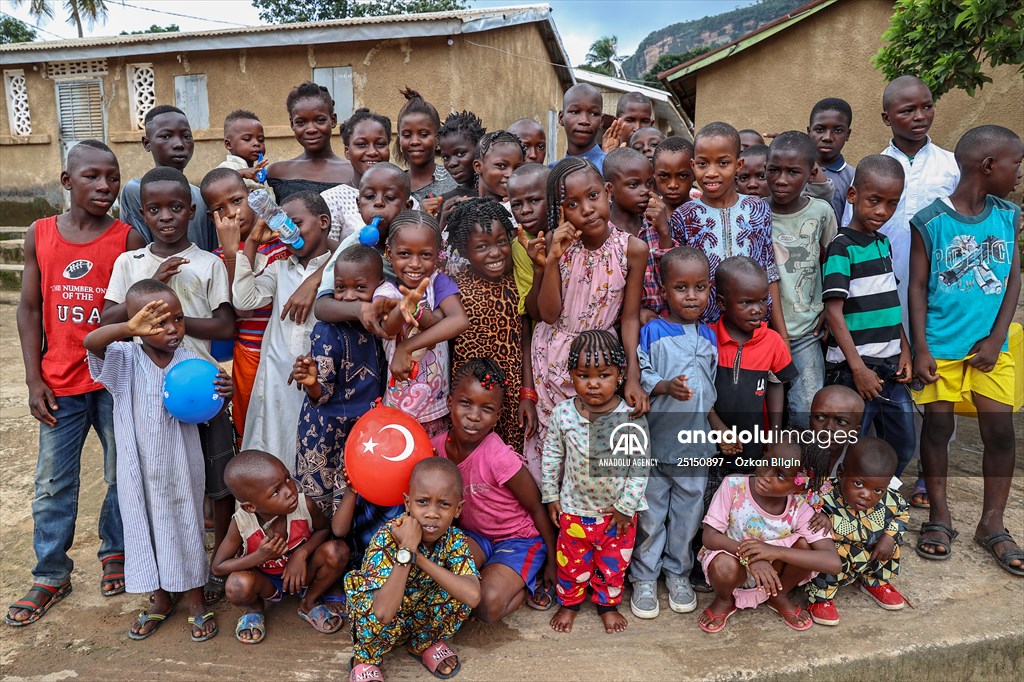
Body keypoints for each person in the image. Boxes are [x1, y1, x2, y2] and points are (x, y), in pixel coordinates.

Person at [6, 141, 142, 628]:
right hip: (58, 382)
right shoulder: (40, 233)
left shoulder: (126, 238)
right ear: (67, 182)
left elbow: (135, 311)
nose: (104, 186)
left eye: (112, 177)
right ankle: (50, 574)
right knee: (52, 483)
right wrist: (32, 376)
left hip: (111, 380)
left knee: (119, 473)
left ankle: (116, 549)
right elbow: (28, 308)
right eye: (91, 176)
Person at [103, 167, 237, 586]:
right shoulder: (131, 262)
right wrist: (151, 289)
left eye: (176, 207)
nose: (166, 216)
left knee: (216, 483)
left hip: (203, 388)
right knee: (162, 483)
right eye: (155, 209)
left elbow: (225, 326)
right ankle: (167, 570)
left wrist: (173, 321)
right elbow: (108, 319)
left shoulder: (208, 263)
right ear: (141, 213)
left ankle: (212, 567)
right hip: (147, 388)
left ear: (191, 211)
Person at [85, 280, 233, 642]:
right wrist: (126, 329)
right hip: (139, 468)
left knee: (187, 525)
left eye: (178, 320)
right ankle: (161, 598)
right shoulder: (125, 358)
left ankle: (196, 598)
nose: (172, 329)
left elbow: (207, 411)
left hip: (184, 465)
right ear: (136, 324)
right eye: (159, 323)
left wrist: (223, 396)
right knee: (146, 527)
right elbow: (91, 343)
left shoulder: (192, 362)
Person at [909, 125, 1023, 575]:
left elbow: (1013, 278)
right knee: (937, 429)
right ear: (989, 166)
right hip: (939, 346)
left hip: (991, 348)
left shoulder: (1009, 214)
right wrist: (920, 346)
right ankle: (939, 516)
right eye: (1016, 163)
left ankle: (992, 523)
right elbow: (917, 288)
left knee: (1000, 433)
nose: (1019, 172)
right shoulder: (931, 221)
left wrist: (998, 338)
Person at [523, 157, 649, 483]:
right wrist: (551, 260)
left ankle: (591, 528)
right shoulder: (558, 244)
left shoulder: (632, 249)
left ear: (608, 192)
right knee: (552, 457)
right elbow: (548, 314)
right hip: (551, 359)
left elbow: (630, 318)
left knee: (593, 458)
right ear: (561, 210)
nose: (587, 209)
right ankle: (560, 525)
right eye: (572, 203)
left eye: (593, 196)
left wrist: (632, 375)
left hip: (598, 361)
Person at [630, 247, 729, 620]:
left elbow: (708, 395)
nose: (691, 296)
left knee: (688, 514)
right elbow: (641, 374)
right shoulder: (653, 330)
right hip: (657, 444)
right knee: (652, 515)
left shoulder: (709, 336)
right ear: (665, 291)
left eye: (700, 287)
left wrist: (719, 431)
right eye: (681, 288)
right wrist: (665, 387)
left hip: (696, 447)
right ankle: (643, 577)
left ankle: (677, 573)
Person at [542, 330, 650, 634]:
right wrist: (551, 495)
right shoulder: (563, 414)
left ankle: (607, 604)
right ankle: (570, 603)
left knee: (613, 564)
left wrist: (627, 506)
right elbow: (551, 455)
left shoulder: (630, 416)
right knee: (571, 563)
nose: (593, 383)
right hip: (575, 509)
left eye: (603, 375)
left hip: (618, 514)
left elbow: (640, 465)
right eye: (583, 375)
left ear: (619, 375)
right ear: (571, 375)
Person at [434, 359, 558, 620]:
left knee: (486, 606)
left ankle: (524, 583)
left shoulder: (497, 456)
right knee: (447, 584)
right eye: (465, 403)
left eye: (486, 408)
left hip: (519, 539)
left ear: (498, 415)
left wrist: (553, 561)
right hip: (476, 536)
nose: (474, 416)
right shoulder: (435, 450)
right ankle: (498, 572)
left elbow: (536, 506)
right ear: (449, 403)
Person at [345, 458, 480, 682]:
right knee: (371, 605)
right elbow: (383, 613)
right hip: (387, 611)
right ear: (407, 503)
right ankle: (365, 659)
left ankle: (422, 643)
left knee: (460, 588)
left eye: (444, 504)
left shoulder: (454, 538)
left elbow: (473, 596)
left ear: (458, 509)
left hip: (417, 613)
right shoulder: (389, 535)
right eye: (422, 502)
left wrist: (415, 555)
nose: (432, 513)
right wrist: (405, 549)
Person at [823, 155, 915, 477]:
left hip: (890, 369)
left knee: (901, 446)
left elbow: (890, 303)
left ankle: (877, 504)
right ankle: (837, 511)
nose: (882, 211)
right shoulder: (841, 247)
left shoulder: (884, 244)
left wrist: (904, 348)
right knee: (847, 448)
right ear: (853, 195)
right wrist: (858, 368)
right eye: (874, 201)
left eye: (891, 204)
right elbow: (834, 311)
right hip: (853, 373)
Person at [227, 191, 332, 469]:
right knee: (269, 461)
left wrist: (313, 281)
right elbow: (244, 301)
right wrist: (251, 241)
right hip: (275, 383)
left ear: (323, 221)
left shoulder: (340, 267)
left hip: (315, 384)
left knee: (308, 461)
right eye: (284, 225)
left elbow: (355, 246)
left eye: (296, 223)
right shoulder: (279, 269)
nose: (290, 232)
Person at [697, 441, 841, 633]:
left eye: (780, 475)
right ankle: (725, 599)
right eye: (767, 462)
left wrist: (774, 552)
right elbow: (710, 536)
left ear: (799, 487)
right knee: (723, 564)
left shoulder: (801, 508)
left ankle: (779, 596)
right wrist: (750, 557)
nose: (765, 475)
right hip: (733, 565)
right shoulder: (733, 486)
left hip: (774, 573)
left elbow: (833, 562)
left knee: (805, 545)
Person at [212, 450, 350, 643]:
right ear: (250, 507)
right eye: (276, 491)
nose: (290, 491)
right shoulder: (242, 523)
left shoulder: (304, 506)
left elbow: (324, 530)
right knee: (236, 585)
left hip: (303, 576)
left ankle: (309, 602)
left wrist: (301, 553)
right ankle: (254, 609)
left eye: (287, 478)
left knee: (338, 551)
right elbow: (218, 567)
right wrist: (259, 556)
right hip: (267, 582)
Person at [292, 245, 387, 517]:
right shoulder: (327, 330)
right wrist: (311, 383)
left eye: (359, 287)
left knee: (354, 500)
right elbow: (321, 394)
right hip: (325, 431)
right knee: (318, 502)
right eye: (340, 287)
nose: (348, 296)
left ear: (379, 286)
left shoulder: (381, 323)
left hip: (362, 431)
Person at [669, 122, 786, 339]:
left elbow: (769, 273)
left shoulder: (757, 209)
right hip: (703, 333)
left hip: (755, 330)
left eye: (723, 163)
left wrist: (781, 335)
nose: (711, 173)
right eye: (703, 164)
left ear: (738, 164)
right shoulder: (683, 216)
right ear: (693, 166)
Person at [707, 256, 798, 514]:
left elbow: (777, 384)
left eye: (762, 300)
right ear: (722, 303)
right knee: (710, 496)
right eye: (746, 302)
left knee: (745, 499)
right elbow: (699, 392)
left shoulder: (772, 341)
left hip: (754, 441)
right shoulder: (706, 338)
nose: (757, 309)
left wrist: (775, 433)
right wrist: (718, 429)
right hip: (709, 440)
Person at [447, 198, 537, 452]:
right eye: (482, 246)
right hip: (470, 401)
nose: (495, 253)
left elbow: (525, 340)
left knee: (508, 457)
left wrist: (527, 393)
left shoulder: (515, 283)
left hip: (510, 397)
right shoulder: (453, 289)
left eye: (501, 242)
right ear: (464, 251)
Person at [765, 132, 837, 427]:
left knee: (807, 406)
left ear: (810, 173)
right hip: (761, 331)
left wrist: (830, 312)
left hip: (806, 330)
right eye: (774, 170)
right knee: (764, 408)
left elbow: (833, 264)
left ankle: (801, 469)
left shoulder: (821, 212)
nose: (781, 179)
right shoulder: (754, 212)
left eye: (793, 172)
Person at [377, 211, 470, 437]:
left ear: (438, 255)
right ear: (389, 253)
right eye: (405, 254)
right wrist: (403, 308)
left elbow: (459, 320)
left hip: (438, 408)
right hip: (398, 408)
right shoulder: (386, 292)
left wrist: (406, 347)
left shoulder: (438, 281)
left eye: (425, 255)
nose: (415, 264)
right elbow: (387, 329)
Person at [806, 437, 909, 625]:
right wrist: (820, 517)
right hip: (839, 554)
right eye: (859, 484)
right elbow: (804, 518)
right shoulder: (824, 497)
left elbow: (902, 514)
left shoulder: (891, 499)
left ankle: (873, 581)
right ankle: (820, 597)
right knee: (831, 556)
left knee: (890, 547)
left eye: (878, 490)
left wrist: (890, 536)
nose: (867, 495)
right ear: (842, 473)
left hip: (871, 552)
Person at [118, 105, 216, 251]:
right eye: (166, 136)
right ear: (147, 143)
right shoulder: (136, 190)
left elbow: (211, 250)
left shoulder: (201, 196)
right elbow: (139, 256)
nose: (179, 144)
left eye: (186, 136)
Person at [638, 136, 695, 318]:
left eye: (682, 175)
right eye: (664, 176)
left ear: (694, 171)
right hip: (651, 315)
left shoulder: (701, 215)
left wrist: (664, 231)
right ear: (654, 174)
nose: (672, 185)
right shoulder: (644, 216)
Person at [267, 82, 352, 203]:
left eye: (320, 120)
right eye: (301, 122)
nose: (311, 129)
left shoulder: (354, 173)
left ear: (333, 121)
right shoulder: (276, 172)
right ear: (292, 124)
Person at [321, 108, 393, 241]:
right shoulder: (332, 199)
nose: (372, 151)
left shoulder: (403, 196)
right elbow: (329, 255)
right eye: (361, 144)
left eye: (381, 144)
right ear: (347, 152)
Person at [395, 88, 456, 207]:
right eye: (407, 135)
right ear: (399, 139)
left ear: (437, 137)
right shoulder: (394, 185)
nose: (415, 141)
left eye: (423, 135)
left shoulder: (453, 182)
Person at [507, 163, 549, 316]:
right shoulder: (521, 246)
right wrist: (539, 269)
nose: (525, 210)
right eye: (516, 204)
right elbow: (534, 313)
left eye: (535, 200)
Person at [807, 98, 855, 224]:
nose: (827, 137)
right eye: (820, 130)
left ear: (848, 134)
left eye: (838, 130)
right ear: (809, 131)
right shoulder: (794, 172)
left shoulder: (853, 178)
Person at [808, 384, 864, 477]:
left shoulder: (860, 464)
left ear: (855, 431)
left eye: (841, 422)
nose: (829, 427)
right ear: (810, 420)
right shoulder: (789, 456)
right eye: (820, 417)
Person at [553, 84, 607, 173]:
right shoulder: (551, 172)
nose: (584, 121)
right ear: (561, 118)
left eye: (593, 114)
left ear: (601, 120)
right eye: (575, 112)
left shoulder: (611, 170)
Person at [217, 109, 272, 196]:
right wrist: (241, 173)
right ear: (229, 144)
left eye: (261, 140)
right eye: (247, 139)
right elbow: (215, 184)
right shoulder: (226, 168)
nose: (257, 143)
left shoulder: (260, 172)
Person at [603, 147, 654, 238]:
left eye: (649, 183)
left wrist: (664, 230)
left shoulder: (655, 221)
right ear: (609, 189)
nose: (645, 190)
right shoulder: (601, 231)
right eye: (634, 185)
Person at [437, 110, 487, 202]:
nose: (452, 164)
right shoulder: (446, 202)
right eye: (446, 157)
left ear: (479, 149)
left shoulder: (503, 194)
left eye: (460, 154)